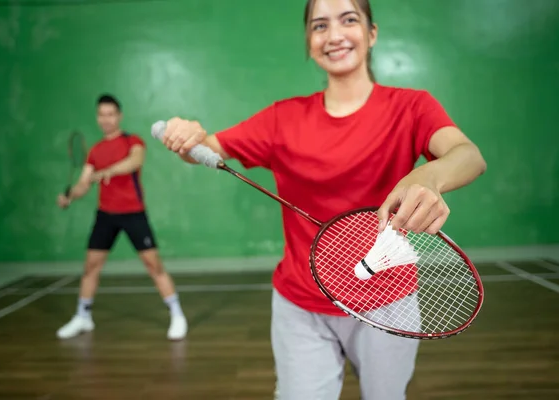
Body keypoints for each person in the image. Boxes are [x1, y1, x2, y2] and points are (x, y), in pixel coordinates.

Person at [156, 0, 487, 398]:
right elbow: (207, 147)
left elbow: (468, 156)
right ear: (309, 43)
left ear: (372, 33)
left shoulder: (411, 106)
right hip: (302, 304)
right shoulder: (282, 118)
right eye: (319, 26)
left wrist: (428, 175)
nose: (334, 35)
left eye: (349, 20)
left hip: (389, 302)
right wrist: (187, 134)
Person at [56, 94, 187, 341]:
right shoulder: (94, 151)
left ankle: (177, 315)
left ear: (119, 116)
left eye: (110, 114)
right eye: (101, 115)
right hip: (105, 216)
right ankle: (83, 316)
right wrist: (70, 196)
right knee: (90, 267)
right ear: (97, 117)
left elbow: (133, 162)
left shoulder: (133, 141)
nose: (105, 119)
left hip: (133, 214)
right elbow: (84, 184)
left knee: (154, 266)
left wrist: (107, 172)